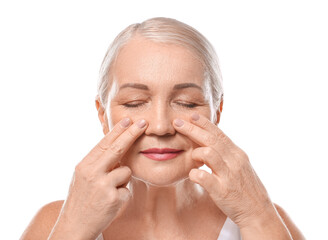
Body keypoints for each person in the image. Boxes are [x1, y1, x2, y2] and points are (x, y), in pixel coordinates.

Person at [20, 17, 306, 240]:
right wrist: (71, 230)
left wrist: (257, 216)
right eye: (134, 102)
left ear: (217, 113)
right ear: (102, 114)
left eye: (187, 103)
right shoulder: (54, 222)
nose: (160, 126)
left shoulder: (265, 219)